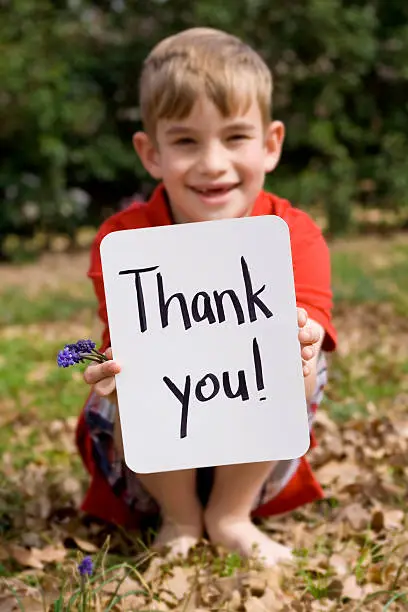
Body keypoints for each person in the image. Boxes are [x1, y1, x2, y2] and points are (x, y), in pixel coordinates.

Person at [76, 27, 337, 567]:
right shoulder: (123, 240)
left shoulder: (295, 233)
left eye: (236, 137)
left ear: (271, 145)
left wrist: (301, 346)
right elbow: (131, 355)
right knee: (127, 377)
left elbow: (309, 346)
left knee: (299, 359)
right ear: (151, 153)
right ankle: (179, 516)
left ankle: (230, 515)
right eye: (187, 141)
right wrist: (114, 372)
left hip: (256, 458)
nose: (213, 163)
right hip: (152, 466)